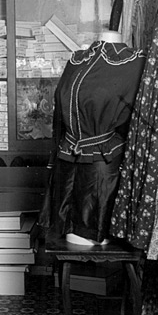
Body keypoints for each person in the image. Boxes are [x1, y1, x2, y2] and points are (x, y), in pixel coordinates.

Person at [37, 30, 146, 246]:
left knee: (92, 234)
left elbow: (140, 121)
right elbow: (59, 114)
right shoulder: (77, 59)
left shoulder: (135, 62)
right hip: (67, 160)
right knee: (66, 233)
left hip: (102, 163)